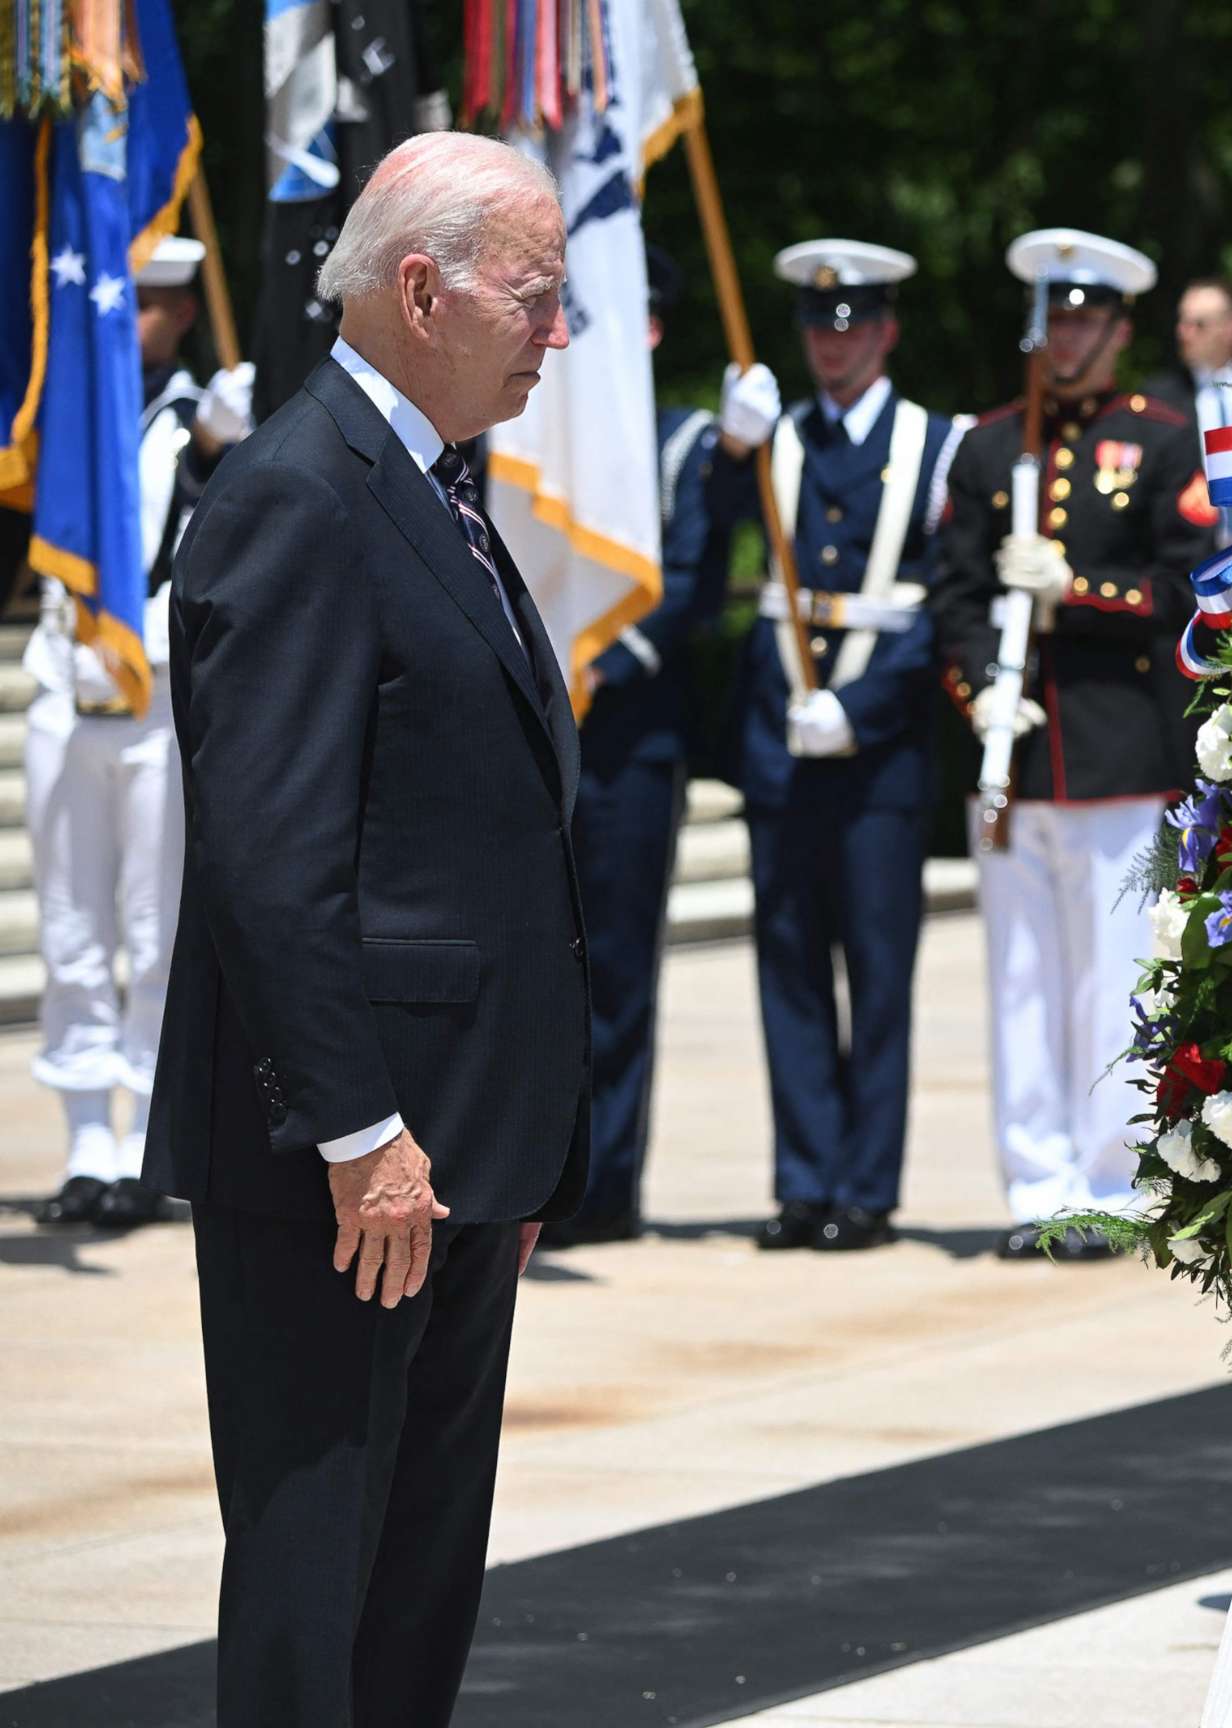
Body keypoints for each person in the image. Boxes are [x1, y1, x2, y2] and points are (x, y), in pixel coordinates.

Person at [141, 132, 587, 1728]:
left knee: (419, 1573)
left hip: (453, 1151)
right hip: (346, 1159)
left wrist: (512, 1140)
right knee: (318, 1562)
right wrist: (363, 1127)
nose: (560, 331)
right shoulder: (297, 494)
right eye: (537, 295)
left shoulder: (429, 488)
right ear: (422, 288)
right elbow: (273, 859)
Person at [933, 228, 1214, 1259]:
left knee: (1113, 979)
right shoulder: (991, 444)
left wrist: (1077, 592)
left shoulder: (1160, 438)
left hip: (1115, 754)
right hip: (1018, 757)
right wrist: (980, 700)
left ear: (1119, 329)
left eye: (1087, 320)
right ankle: (1034, 1183)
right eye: (1055, 318)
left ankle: (1110, 1181)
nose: (1068, 338)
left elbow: (1186, 595)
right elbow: (955, 596)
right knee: (1018, 978)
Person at [713, 237, 963, 1253]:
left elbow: (944, 605)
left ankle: (865, 1192)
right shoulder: (773, 437)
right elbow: (701, 542)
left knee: (878, 970)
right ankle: (802, 1183)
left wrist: (863, 707)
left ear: (886, 331)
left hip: (879, 753)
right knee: (789, 971)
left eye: (851, 324)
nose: (833, 342)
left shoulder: (931, 442)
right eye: (819, 324)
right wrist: (729, 452)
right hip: (781, 744)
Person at [25, 235, 252, 1231]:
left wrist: (227, 451)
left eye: (157, 302)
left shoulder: (202, 416)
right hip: (65, 683)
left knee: (157, 929)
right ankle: (86, 1138)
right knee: (74, 926)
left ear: (185, 314)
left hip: (158, 692)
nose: (138, 317)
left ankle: (147, 1144)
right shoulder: (57, 402)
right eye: (131, 296)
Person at [543, 245, 757, 1248]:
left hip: (629, 735)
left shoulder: (684, 444)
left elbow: (695, 584)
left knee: (617, 971)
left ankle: (604, 1185)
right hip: (537, 734)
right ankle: (536, 1170)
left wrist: (591, 667)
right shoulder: (540, 437)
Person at [1145, 277, 1232, 545]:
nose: (1184, 332)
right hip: (1186, 561)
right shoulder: (1157, 399)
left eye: (1199, 324)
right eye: (1183, 322)